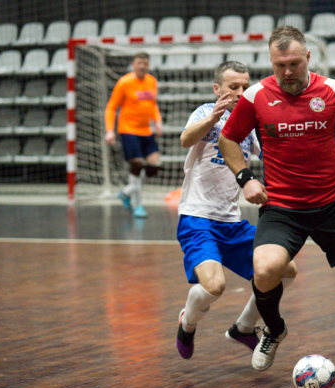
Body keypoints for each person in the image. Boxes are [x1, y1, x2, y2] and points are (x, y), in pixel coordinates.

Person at [218, 27, 335, 383]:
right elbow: (228, 137)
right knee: (265, 270)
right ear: (271, 62)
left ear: (308, 57)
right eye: (280, 65)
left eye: (294, 63)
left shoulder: (334, 91)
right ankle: (274, 330)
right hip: (282, 207)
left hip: (332, 202)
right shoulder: (256, 96)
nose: (287, 71)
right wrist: (245, 178)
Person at [176, 60, 297, 361]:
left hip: (232, 222)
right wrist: (213, 118)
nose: (241, 92)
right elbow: (185, 139)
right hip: (197, 219)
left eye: (246, 86)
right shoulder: (205, 112)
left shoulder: (249, 125)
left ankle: (243, 327)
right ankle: (187, 323)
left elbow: (272, 155)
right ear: (217, 89)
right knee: (215, 286)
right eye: (234, 87)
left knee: (286, 271)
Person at [105, 52, 163, 218]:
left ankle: (125, 192)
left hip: (146, 131)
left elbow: (152, 104)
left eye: (145, 63)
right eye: (139, 63)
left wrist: (158, 121)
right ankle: (138, 206)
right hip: (128, 130)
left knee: (154, 166)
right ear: (133, 64)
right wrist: (110, 130)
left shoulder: (152, 81)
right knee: (137, 167)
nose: (142, 66)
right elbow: (111, 107)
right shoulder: (124, 82)